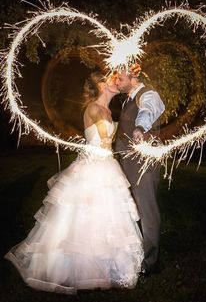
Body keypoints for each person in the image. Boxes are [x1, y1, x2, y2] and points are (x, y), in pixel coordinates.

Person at [4, 70, 144, 294]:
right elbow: (101, 142)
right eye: (112, 78)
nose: (117, 81)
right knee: (84, 216)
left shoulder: (108, 110)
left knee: (108, 217)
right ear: (100, 85)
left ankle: (104, 266)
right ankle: (76, 269)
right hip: (93, 168)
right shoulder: (94, 109)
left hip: (107, 166)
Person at [114, 64, 165, 277]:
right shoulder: (128, 99)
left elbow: (148, 110)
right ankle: (135, 253)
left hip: (143, 163)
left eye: (120, 77)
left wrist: (141, 127)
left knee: (147, 209)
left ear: (133, 75)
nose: (117, 81)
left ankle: (151, 263)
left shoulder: (148, 94)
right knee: (132, 209)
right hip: (128, 162)